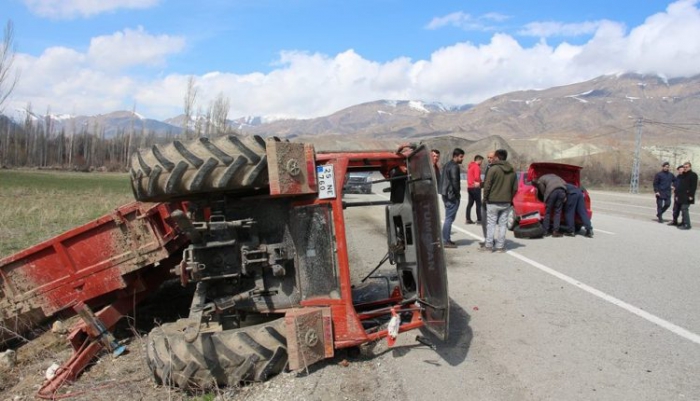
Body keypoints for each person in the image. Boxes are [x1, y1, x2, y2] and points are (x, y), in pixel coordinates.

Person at [481, 149, 518, 252]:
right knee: (502, 224)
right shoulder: (512, 171)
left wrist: (485, 199)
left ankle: (488, 246)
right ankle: (500, 246)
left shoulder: (493, 169)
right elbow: (515, 188)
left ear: (497, 157)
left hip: (493, 201)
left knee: (491, 223)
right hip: (506, 202)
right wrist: (510, 199)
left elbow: (487, 186)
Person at [440, 148, 465, 248]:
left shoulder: (447, 164)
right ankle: (445, 240)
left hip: (445, 194)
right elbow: (455, 182)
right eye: (461, 157)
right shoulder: (454, 167)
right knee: (449, 218)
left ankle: (446, 239)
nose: (462, 159)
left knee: (449, 218)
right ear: (456, 156)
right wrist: (457, 195)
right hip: (451, 195)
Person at [675, 161, 698, 230]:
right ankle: (683, 222)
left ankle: (687, 224)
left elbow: (693, 186)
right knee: (682, 209)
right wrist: (677, 195)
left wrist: (691, 195)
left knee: (684, 209)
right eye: (684, 167)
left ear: (690, 167)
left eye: (686, 167)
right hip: (681, 195)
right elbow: (680, 186)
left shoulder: (693, 175)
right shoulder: (683, 175)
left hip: (688, 195)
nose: (685, 168)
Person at [480, 151, 496, 241]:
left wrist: (485, 198)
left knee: (488, 220)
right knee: (486, 219)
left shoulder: (495, 168)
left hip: (491, 197)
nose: (489, 159)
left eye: (491, 157)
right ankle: (488, 239)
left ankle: (489, 240)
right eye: (488, 157)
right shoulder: (488, 167)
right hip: (488, 195)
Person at [466, 155, 484, 224]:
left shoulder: (470, 166)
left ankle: (468, 219)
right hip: (475, 187)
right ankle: (479, 219)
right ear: (478, 160)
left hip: (470, 187)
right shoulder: (477, 167)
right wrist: (481, 181)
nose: (481, 162)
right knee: (478, 204)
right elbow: (476, 177)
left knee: (470, 204)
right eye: (481, 160)